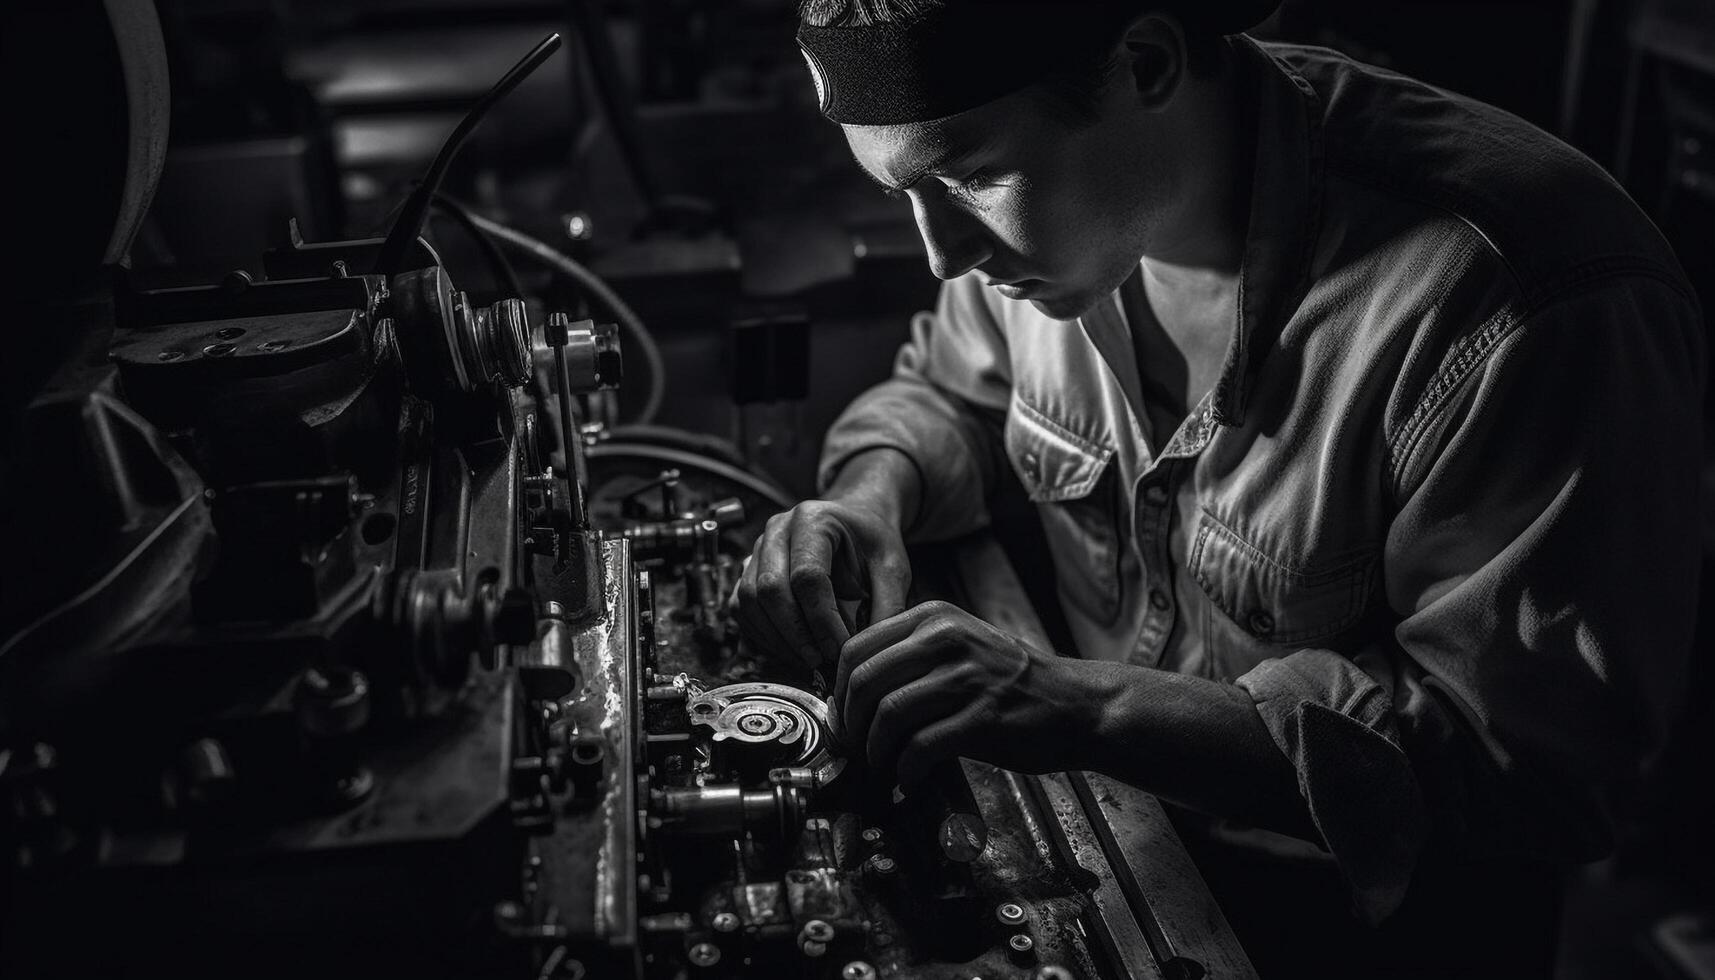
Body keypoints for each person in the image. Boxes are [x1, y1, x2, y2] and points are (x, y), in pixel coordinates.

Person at [733, 0, 1706, 974]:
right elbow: (953, 396)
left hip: (1369, 929)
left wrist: (1086, 709)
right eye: (904, 189)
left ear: (1146, 63)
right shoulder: (1052, 233)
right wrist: (872, 492)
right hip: (1127, 850)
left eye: (971, 177)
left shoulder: (1522, 299)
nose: (943, 255)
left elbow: (1528, 773)